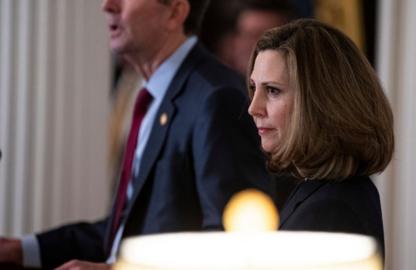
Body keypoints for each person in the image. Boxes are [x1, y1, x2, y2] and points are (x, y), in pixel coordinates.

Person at [0, 0, 271, 269]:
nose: (107, 6)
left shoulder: (215, 98)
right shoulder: (153, 95)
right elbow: (126, 232)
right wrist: (23, 249)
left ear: (175, 12)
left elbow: (233, 244)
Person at [247, 19, 394, 258]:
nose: (254, 108)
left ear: (321, 103)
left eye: (273, 90)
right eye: (254, 88)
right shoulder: (321, 188)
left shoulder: (331, 209)